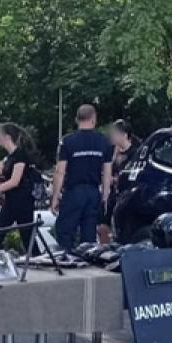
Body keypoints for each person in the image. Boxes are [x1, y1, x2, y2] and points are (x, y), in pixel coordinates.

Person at [51, 105, 112, 250]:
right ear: (93, 119)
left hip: (74, 192)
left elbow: (60, 172)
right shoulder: (103, 141)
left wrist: (55, 197)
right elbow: (107, 172)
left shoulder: (67, 141)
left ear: (77, 119)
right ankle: (88, 260)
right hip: (93, 192)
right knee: (89, 235)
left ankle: (66, 257)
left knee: (65, 231)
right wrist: (105, 195)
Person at [0, 123, 37, 253]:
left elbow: (14, 181)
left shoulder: (20, 155)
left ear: (7, 137)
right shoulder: (11, 157)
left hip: (22, 201)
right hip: (12, 201)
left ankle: (38, 259)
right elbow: (6, 171)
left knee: (26, 237)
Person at [98, 120, 139, 243]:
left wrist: (116, 179)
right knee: (102, 222)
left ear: (124, 135)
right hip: (111, 194)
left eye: (115, 134)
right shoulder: (111, 151)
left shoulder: (135, 153)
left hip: (126, 196)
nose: (112, 136)